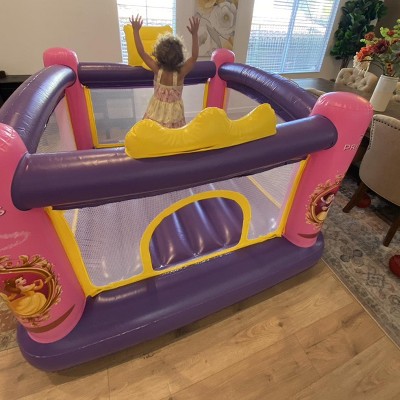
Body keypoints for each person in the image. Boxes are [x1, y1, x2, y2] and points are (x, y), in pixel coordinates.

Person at [129, 14, 200, 128]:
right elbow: (194, 57)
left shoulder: (158, 70)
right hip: (173, 116)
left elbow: (142, 52)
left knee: (154, 134)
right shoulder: (180, 74)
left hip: (156, 114)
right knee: (173, 136)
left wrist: (136, 31)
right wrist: (194, 34)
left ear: (159, 54)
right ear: (179, 56)